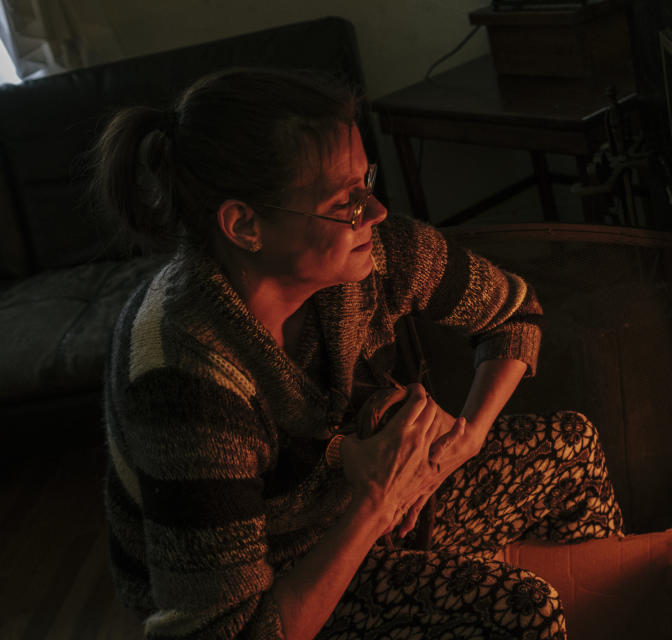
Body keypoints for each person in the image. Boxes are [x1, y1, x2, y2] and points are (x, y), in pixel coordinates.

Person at [97, 67, 623, 640]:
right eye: (344, 200)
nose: (374, 210)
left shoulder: (376, 253)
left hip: (369, 506)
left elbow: (515, 314)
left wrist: (466, 436)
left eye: (366, 179)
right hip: (282, 581)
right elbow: (233, 632)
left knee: (573, 446)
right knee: (526, 611)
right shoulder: (184, 378)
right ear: (245, 225)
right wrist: (374, 504)